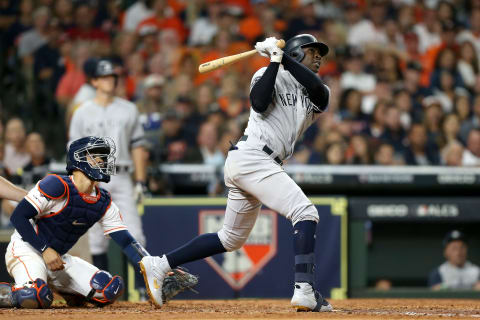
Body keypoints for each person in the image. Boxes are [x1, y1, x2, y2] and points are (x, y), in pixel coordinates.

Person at [139, 34, 333, 312]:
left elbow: (317, 90)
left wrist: (282, 58)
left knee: (230, 239)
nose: (318, 57)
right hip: (253, 156)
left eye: (320, 53)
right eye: (311, 51)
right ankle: (305, 290)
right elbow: (259, 103)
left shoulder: (317, 91)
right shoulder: (266, 73)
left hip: (260, 162)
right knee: (305, 213)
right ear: (295, 51)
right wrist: (275, 61)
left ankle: (159, 264)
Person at [0, 136, 196, 309]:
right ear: (78, 159)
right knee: (34, 296)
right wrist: (44, 249)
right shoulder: (56, 185)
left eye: (103, 157)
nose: (102, 161)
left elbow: (126, 242)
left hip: (58, 259)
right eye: (95, 156)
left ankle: (67, 290)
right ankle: (9, 293)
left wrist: (153, 264)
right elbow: (19, 217)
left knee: (108, 289)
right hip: (27, 249)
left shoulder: (103, 201)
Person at [68, 60, 148, 276]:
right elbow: (74, 151)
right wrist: (80, 182)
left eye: (112, 77)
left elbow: (138, 146)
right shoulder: (82, 111)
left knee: (135, 235)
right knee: (94, 239)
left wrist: (140, 181)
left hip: (121, 175)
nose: (110, 81)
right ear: (94, 81)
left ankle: (144, 288)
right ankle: (101, 287)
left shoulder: (129, 109)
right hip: (91, 179)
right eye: (104, 77)